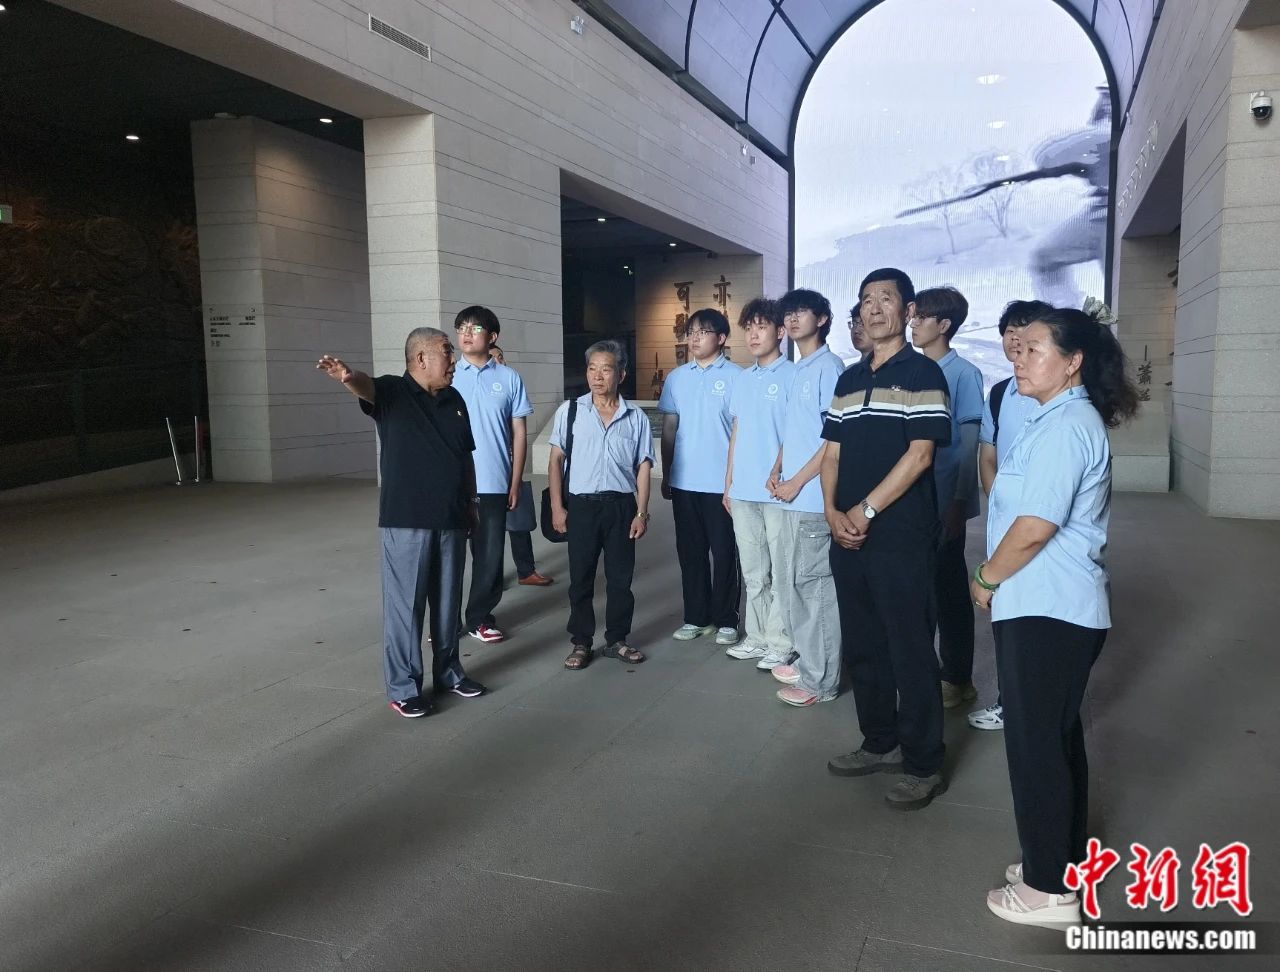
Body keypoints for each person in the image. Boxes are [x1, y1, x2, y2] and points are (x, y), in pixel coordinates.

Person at [973, 307, 1138, 926]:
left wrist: (986, 577)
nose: (1019, 359)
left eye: (1034, 349)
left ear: (1073, 362)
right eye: (1017, 349)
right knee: (1056, 739)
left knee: (1036, 748)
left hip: (1049, 608)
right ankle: (1062, 863)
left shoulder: (1068, 426)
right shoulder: (1054, 418)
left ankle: (1048, 891)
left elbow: (1037, 525)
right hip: (1045, 604)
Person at [822, 268, 952, 810]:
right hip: (847, 535)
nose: (874, 309)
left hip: (900, 537)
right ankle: (879, 741)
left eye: (886, 298)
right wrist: (832, 513)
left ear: (908, 309)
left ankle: (923, 764)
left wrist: (865, 510)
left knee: (909, 648)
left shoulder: (924, 373)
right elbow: (831, 454)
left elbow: (920, 456)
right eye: (866, 300)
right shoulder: (849, 378)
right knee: (864, 644)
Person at [315, 329, 487, 718]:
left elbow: (465, 457)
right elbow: (366, 387)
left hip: (452, 518)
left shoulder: (455, 399)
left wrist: (472, 503)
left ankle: (450, 673)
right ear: (421, 358)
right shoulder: (393, 392)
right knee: (405, 609)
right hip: (407, 521)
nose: (453, 360)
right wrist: (348, 377)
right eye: (446, 352)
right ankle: (404, 688)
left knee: (448, 605)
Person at [968, 299, 1053, 731]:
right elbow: (988, 452)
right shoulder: (1001, 392)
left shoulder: (1055, 391)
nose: (1015, 339)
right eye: (1008, 331)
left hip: (1045, 520)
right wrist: (998, 498)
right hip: (1007, 521)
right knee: (1007, 611)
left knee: (1039, 615)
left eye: (1025, 331)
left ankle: (1035, 706)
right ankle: (1010, 701)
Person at [548, 340, 654, 670]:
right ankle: (581, 642)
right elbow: (555, 461)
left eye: (605, 369)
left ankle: (617, 640)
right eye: (592, 369)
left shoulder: (635, 417)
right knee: (580, 578)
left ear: (620, 374)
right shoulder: (571, 412)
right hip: (581, 507)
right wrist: (557, 507)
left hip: (621, 507)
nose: (597, 376)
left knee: (620, 579)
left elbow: (644, 467)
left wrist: (641, 512)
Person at [766, 288, 846, 707]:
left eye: (802, 312)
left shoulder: (829, 368)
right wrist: (777, 468)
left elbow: (835, 440)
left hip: (813, 499)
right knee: (792, 584)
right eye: (788, 314)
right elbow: (796, 431)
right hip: (792, 496)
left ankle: (821, 681)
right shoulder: (800, 369)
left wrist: (797, 481)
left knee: (814, 590)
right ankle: (810, 661)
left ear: (823, 319)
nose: (793, 319)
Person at [909, 287, 984, 710]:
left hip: (943, 497)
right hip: (913, 497)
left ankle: (957, 677)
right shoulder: (913, 369)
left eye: (922, 317)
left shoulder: (963, 373)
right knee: (921, 589)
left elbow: (968, 443)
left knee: (948, 590)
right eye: (914, 316)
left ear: (944, 325)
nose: (914, 323)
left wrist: (958, 502)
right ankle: (925, 670)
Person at [659, 308, 743, 646]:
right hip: (684, 481)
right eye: (691, 332)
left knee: (724, 553)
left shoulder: (737, 377)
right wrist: (667, 473)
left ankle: (726, 619)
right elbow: (669, 428)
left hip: (721, 483)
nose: (694, 338)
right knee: (690, 553)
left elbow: (741, 431)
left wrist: (736, 480)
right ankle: (696, 617)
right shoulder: (677, 378)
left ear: (721, 338)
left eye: (703, 332)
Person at [722, 298, 795, 664]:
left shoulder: (793, 375)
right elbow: (736, 432)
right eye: (748, 328)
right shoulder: (742, 378)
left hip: (778, 492)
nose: (753, 334)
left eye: (761, 327)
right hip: (744, 491)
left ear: (780, 332)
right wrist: (728, 483)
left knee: (782, 572)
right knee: (753, 571)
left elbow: (797, 434)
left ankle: (781, 643)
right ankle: (757, 636)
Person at [490, 344, 553, 587]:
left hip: (510, 467)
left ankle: (526, 571)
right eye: (493, 358)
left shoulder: (511, 388)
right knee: (489, 529)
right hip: (486, 472)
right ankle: (491, 577)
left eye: (501, 357)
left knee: (519, 521)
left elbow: (519, 433)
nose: (499, 361)